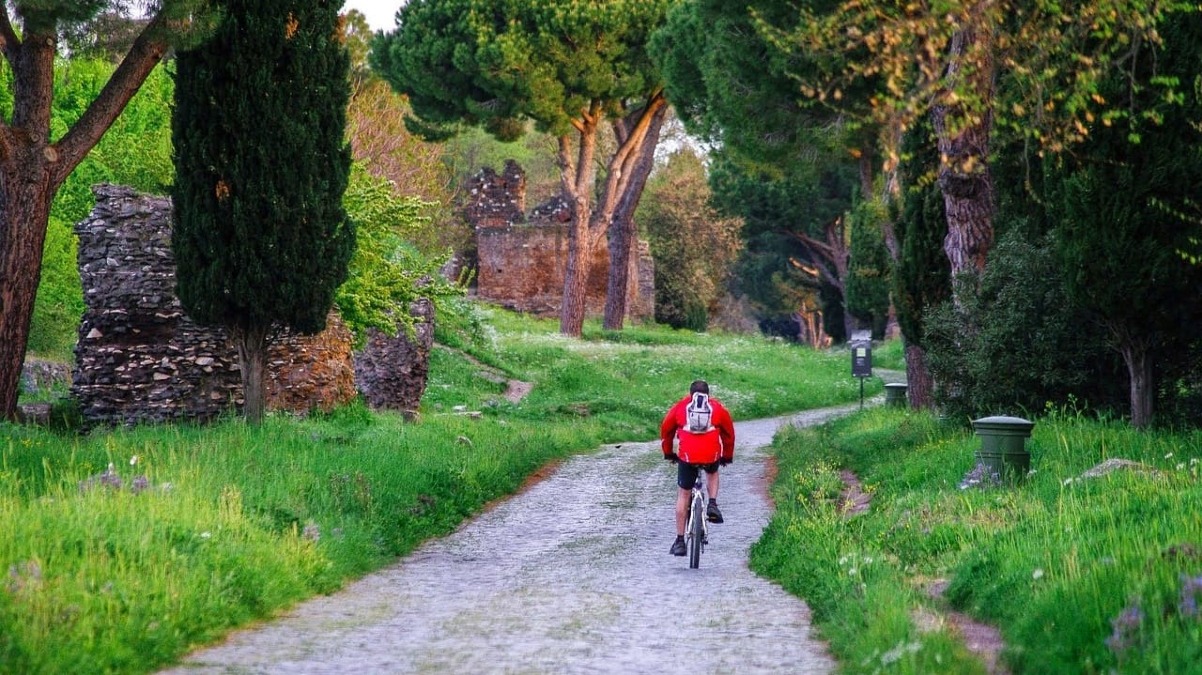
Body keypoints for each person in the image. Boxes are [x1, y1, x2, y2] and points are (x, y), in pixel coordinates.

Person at [660, 379, 735, 556]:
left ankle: (679, 541)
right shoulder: (717, 407)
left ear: (690, 393)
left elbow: (666, 429)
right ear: (708, 394)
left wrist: (668, 453)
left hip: (687, 456)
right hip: (711, 454)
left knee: (684, 493)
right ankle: (713, 504)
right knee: (712, 472)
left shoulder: (681, 406)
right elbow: (729, 434)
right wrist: (727, 457)